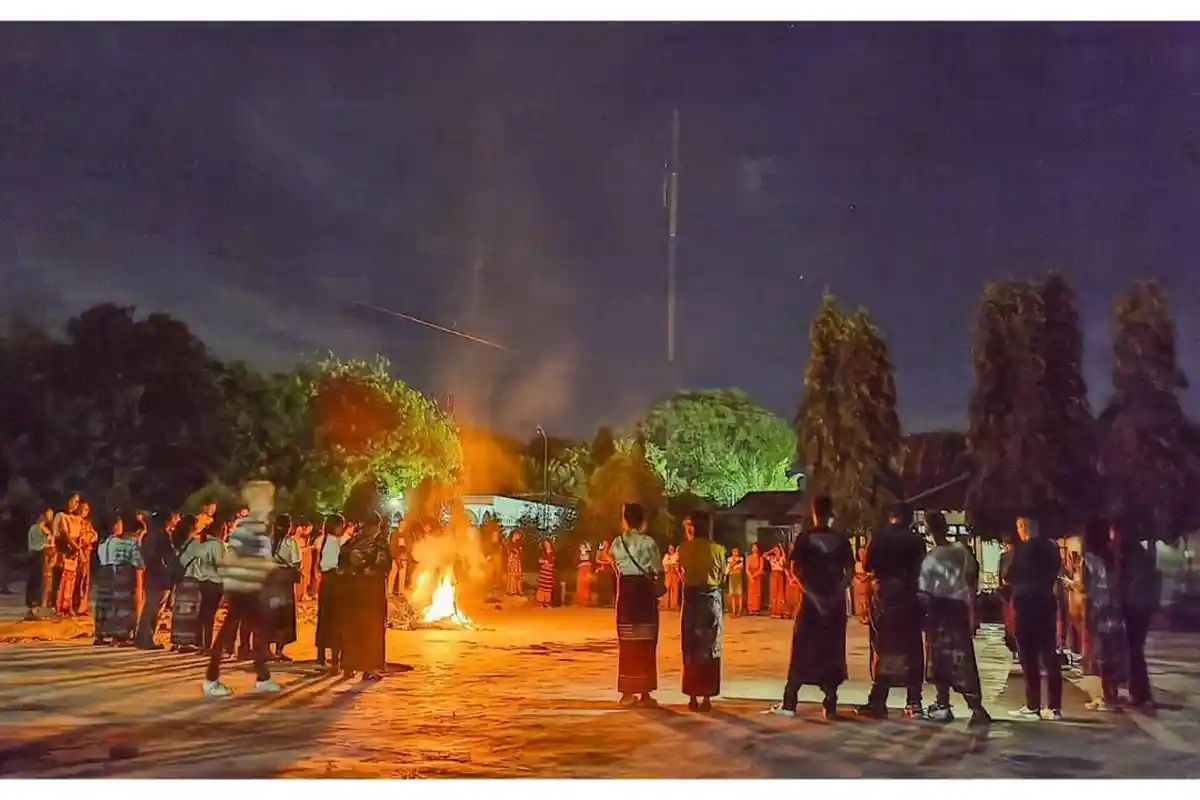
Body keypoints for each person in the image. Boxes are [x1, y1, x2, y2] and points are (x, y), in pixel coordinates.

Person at [767, 495, 854, 720]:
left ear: (814, 512)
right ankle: (830, 702)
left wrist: (814, 596)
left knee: (803, 648)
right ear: (831, 512)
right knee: (832, 648)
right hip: (834, 605)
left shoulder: (805, 539)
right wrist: (836, 594)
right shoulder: (842, 540)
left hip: (811, 602)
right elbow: (849, 574)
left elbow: (795, 570)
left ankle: (790, 701)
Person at [204, 481, 280, 697]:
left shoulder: (252, 525)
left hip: (247, 586)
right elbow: (240, 557)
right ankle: (212, 679)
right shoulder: (248, 527)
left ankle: (261, 676)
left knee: (256, 630)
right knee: (231, 630)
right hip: (243, 587)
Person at [918, 512, 990, 725]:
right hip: (958, 609)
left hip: (939, 610)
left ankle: (943, 704)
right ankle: (975, 706)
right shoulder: (961, 551)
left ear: (930, 531)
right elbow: (972, 576)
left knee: (940, 657)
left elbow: (924, 592)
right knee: (962, 657)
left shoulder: (931, 559)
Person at [858, 503, 927, 719]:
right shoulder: (916, 541)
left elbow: (867, 564)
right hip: (908, 596)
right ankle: (914, 700)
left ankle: (879, 699)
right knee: (911, 647)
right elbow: (921, 569)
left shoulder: (880, 537)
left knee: (883, 646)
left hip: (883, 597)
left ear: (891, 517)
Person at [1007, 516, 1064, 721]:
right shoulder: (1051, 548)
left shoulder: (1020, 550)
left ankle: (1033, 705)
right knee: (1049, 654)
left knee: (1028, 655)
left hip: (1025, 604)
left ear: (1023, 527)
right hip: (1046, 600)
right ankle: (1055, 707)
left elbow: (1008, 575)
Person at [611, 502, 663, 707]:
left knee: (627, 642)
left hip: (626, 593)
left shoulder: (617, 543)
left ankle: (626, 692)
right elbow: (658, 569)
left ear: (625, 520)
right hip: (644, 594)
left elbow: (616, 566)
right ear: (642, 521)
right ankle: (645, 693)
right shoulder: (649, 543)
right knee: (646, 642)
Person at [678, 511, 727, 712]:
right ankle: (707, 697)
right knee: (710, 647)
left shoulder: (684, 549)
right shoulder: (718, 549)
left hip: (691, 599)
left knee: (691, 648)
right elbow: (722, 576)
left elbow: (682, 573)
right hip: (711, 600)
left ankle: (692, 696)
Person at [1081, 518, 1128, 711]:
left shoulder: (1090, 559)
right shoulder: (1112, 557)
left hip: (1098, 609)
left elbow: (1086, 587)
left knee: (1102, 653)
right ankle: (1111, 694)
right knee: (1112, 651)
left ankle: (1106, 697)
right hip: (1114, 609)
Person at [337, 512, 391, 681]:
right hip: (371, 593)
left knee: (352, 628)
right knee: (371, 630)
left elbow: (341, 562)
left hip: (351, 593)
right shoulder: (379, 542)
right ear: (377, 525)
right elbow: (383, 565)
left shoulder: (352, 541)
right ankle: (369, 667)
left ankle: (348, 665)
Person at [1119, 533, 1160, 709]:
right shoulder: (1145, 558)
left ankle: (1138, 692)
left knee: (1133, 650)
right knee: (1136, 650)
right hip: (1144, 607)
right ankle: (1141, 692)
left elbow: (1122, 582)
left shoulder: (1127, 557)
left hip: (1132, 606)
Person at [93, 513, 144, 647]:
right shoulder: (127, 543)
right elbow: (137, 561)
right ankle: (121, 636)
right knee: (122, 605)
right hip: (121, 574)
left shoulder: (102, 544)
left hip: (104, 573)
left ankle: (101, 634)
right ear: (115, 526)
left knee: (103, 605)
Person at [179, 516, 226, 654]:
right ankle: (207, 646)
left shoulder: (199, 542)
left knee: (203, 614)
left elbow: (183, 560)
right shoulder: (217, 544)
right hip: (216, 582)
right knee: (209, 615)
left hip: (202, 581)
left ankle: (200, 644)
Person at [136, 512, 183, 650]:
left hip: (150, 573)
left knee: (149, 606)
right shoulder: (163, 535)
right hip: (160, 575)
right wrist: (178, 571)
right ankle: (147, 639)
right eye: (174, 518)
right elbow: (170, 556)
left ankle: (142, 638)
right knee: (155, 608)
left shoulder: (147, 536)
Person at [264, 514, 302, 661]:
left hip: (269, 582)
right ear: (288, 527)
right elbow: (297, 564)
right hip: (284, 583)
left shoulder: (267, 542)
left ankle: (267, 650)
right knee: (284, 617)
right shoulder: (290, 543)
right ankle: (279, 650)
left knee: (269, 615)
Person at [315, 513, 350, 671]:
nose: (343, 529)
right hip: (334, 583)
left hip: (326, 583)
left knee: (324, 618)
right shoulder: (333, 542)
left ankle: (321, 656)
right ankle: (335, 660)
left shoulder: (323, 540)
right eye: (341, 525)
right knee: (336, 621)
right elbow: (335, 563)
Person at [24, 507, 54, 620]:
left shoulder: (46, 529)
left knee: (45, 583)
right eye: (49, 514)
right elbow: (32, 545)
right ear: (43, 515)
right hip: (38, 556)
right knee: (36, 581)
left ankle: (41, 607)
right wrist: (45, 546)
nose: (50, 517)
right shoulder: (34, 528)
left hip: (46, 557)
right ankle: (33, 607)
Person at [73, 502, 98, 615]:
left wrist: (89, 537)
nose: (86, 511)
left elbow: (94, 535)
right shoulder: (75, 521)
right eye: (84, 509)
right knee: (77, 579)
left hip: (87, 554)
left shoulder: (87, 523)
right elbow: (78, 537)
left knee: (85, 580)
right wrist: (85, 538)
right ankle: (75, 605)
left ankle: (83, 606)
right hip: (77, 554)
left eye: (88, 509)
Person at [387, 520, 409, 598]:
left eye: (405, 524)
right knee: (393, 574)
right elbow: (392, 546)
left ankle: (401, 592)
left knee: (402, 575)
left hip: (404, 558)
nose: (404, 525)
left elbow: (408, 545)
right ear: (399, 524)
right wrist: (395, 556)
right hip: (396, 558)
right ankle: (389, 592)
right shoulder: (395, 534)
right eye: (402, 524)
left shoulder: (406, 534)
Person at [767, 543, 788, 618]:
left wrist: (781, 548)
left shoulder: (782, 558)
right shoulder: (772, 558)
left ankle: (780, 611)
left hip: (780, 574)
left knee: (780, 592)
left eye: (777, 550)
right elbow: (764, 555)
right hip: (773, 574)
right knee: (773, 592)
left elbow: (784, 556)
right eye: (775, 550)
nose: (776, 551)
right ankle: (773, 611)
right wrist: (770, 551)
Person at [594, 539, 615, 607]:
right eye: (603, 544)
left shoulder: (610, 552)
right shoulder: (599, 551)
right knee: (602, 586)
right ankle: (601, 601)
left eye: (606, 543)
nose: (605, 545)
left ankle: (608, 602)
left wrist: (609, 561)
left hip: (608, 570)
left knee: (608, 586)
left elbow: (612, 560)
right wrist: (605, 562)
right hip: (602, 570)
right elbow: (597, 560)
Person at [536, 539, 556, 607]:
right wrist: (544, 562)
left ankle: (547, 603)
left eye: (548, 544)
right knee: (542, 587)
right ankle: (540, 602)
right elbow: (539, 560)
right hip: (543, 571)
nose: (547, 545)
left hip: (549, 572)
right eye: (545, 544)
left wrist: (547, 563)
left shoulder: (553, 552)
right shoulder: (542, 552)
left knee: (548, 588)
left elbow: (553, 562)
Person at [746, 543, 764, 615]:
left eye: (756, 547)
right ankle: (750, 609)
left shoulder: (760, 558)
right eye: (753, 547)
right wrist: (750, 577)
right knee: (750, 593)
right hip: (750, 577)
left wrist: (754, 576)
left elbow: (761, 569)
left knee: (757, 593)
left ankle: (757, 609)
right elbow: (747, 570)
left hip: (757, 577)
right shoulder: (748, 558)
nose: (754, 549)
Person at [726, 546, 745, 616]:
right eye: (734, 551)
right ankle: (734, 610)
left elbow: (740, 567)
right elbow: (728, 568)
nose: (735, 552)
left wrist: (733, 566)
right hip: (732, 576)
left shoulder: (741, 558)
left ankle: (740, 609)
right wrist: (733, 563)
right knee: (733, 594)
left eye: (737, 551)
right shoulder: (729, 559)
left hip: (738, 576)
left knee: (739, 594)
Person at [506, 530, 525, 596]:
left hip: (517, 562)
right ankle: (511, 591)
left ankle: (518, 590)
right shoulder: (509, 543)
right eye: (517, 534)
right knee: (512, 576)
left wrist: (518, 551)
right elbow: (509, 551)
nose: (519, 536)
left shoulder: (519, 544)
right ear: (514, 535)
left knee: (518, 576)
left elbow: (520, 553)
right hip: (511, 562)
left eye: (519, 535)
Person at [575, 541, 593, 606]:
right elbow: (576, 563)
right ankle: (580, 600)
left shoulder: (589, 554)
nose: (582, 548)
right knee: (580, 585)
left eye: (583, 546)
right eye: (581, 547)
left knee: (586, 585)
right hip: (581, 570)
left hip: (587, 570)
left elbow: (591, 562)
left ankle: (586, 601)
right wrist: (581, 564)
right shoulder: (578, 554)